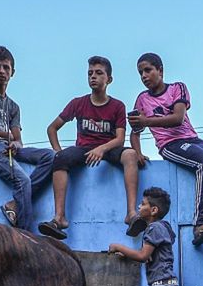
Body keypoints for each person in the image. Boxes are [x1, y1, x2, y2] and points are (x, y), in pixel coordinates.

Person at [129, 53, 203, 248]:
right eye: (140, 73)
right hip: (170, 145)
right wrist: (137, 152)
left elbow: (178, 118)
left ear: (160, 70)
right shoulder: (142, 100)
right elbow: (135, 133)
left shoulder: (178, 88)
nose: (144, 76)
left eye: (147, 70)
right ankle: (199, 224)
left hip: (193, 140)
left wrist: (147, 121)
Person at [45, 56, 140, 241]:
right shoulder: (77, 103)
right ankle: (59, 218)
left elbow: (120, 139)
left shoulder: (117, 106)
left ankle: (131, 214)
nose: (93, 77)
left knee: (130, 154)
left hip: (109, 148)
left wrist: (102, 149)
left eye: (98, 73)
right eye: (90, 73)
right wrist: (58, 151)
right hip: (84, 149)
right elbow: (52, 128)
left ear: (109, 79)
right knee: (60, 159)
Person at [0, 45, 54, 229]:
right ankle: (25, 235)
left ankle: (15, 204)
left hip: (8, 149)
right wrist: (3, 134)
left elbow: (17, 139)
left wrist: (15, 144)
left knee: (50, 156)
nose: (1, 71)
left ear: (12, 72)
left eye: (6, 68)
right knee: (23, 181)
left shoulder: (13, 106)